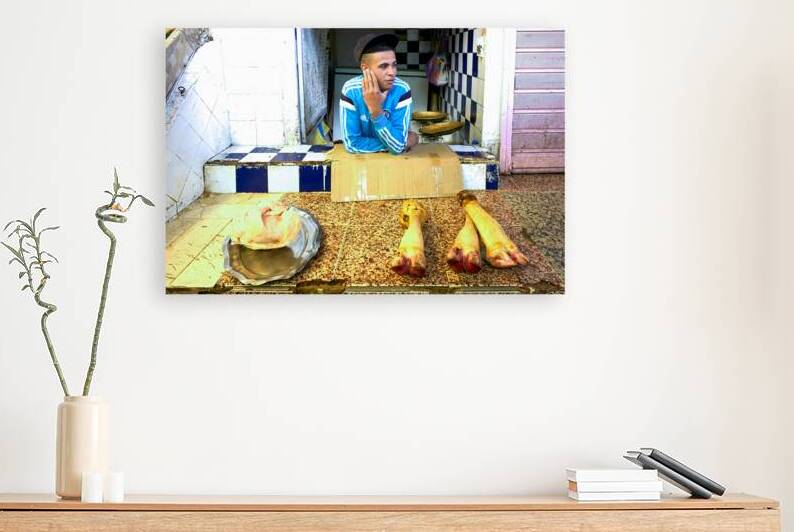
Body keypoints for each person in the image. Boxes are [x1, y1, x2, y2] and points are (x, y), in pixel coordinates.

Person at [340, 32, 419, 154]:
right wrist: (403, 142)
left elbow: (397, 146)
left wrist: (376, 110)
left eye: (394, 65)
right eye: (384, 66)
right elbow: (352, 144)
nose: (392, 72)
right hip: (361, 165)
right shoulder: (351, 91)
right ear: (365, 68)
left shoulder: (401, 90)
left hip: (394, 165)